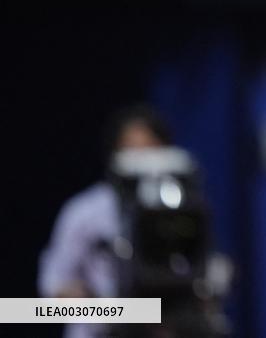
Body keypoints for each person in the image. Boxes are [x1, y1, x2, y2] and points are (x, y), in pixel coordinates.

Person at [38, 104, 172, 338]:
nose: (140, 161)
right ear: (114, 154)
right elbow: (53, 285)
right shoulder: (84, 211)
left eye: (149, 151)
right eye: (131, 150)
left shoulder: (177, 211)